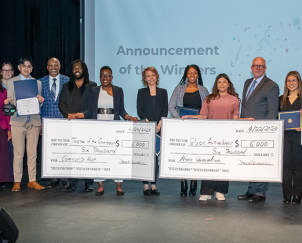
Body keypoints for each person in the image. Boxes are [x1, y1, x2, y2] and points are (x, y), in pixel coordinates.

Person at [183, 73, 245, 200]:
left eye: (224, 82)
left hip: (227, 136)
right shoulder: (209, 98)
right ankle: (206, 192)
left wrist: (247, 120)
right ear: (216, 85)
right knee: (209, 163)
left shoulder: (234, 100)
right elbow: (203, 116)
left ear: (228, 84)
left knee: (223, 163)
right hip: (210, 137)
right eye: (219, 82)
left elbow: (235, 120)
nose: (222, 84)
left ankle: (220, 191)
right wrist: (190, 116)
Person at [88, 66, 139, 196]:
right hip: (98, 127)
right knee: (99, 156)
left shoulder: (118, 91)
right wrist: (77, 115)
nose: (105, 78)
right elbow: (89, 111)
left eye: (108, 75)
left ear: (112, 77)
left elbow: (121, 110)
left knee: (116, 155)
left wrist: (129, 117)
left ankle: (118, 185)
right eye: (102, 76)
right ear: (99, 77)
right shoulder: (93, 91)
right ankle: (100, 185)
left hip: (114, 128)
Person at [237, 56, 279, 203]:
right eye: (255, 65)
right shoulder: (248, 82)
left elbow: (273, 110)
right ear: (251, 67)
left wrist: (267, 129)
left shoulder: (272, 85)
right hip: (247, 129)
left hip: (262, 130)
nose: (258, 68)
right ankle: (251, 190)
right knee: (251, 160)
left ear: (265, 68)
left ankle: (260, 192)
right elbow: (246, 106)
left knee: (261, 161)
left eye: (261, 66)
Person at [168, 64, 210, 196]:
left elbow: (207, 109)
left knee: (195, 155)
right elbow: (171, 107)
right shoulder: (179, 88)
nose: (192, 75)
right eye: (189, 73)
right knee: (183, 155)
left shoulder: (204, 90)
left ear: (198, 75)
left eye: (195, 73)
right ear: (186, 75)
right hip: (182, 126)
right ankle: (183, 181)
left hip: (199, 127)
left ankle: (194, 180)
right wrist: (179, 119)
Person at [5, 56, 46, 192]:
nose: (26, 69)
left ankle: (32, 180)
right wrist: (8, 103)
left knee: (32, 153)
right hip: (17, 121)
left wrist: (41, 101)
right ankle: (17, 181)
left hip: (34, 121)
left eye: (29, 66)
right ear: (19, 68)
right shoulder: (12, 82)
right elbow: (10, 104)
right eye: (24, 66)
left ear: (32, 68)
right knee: (18, 153)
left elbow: (38, 103)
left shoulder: (37, 83)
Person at [58, 59, 97, 192]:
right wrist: (70, 116)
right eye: (74, 68)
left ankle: (88, 182)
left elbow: (93, 106)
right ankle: (72, 182)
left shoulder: (92, 86)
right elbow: (61, 103)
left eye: (79, 67)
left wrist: (79, 115)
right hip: (71, 124)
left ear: (84, 69)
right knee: (73, 155)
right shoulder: (66, 86)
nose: (77, 70)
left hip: (87, 124)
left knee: (87, 155)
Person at [280, 71, 302, 204]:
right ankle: (287, 195)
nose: (291, 83)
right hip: (284, 136)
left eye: (294, 80)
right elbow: (277, 118)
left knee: (297, 165)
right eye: (289, 81)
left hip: (300, 136)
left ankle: (297, 195)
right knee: (286, 166)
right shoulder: (280, 99)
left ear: (299, 82)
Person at [39, 57, 70, 188]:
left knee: (64, 149)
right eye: (50, 65)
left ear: (60, 66)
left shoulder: (67, 80)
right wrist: (39, 123)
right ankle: (53, 178)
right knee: (49, 151)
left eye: (56, 65)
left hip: (63, 121)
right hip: (47, 121)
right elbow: (37, 104)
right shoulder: (40, 82)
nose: (53, 67)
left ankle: (65, 178)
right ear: (47, 67)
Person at [136, 66, 168, 196]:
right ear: (145, 78)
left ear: (157, 76)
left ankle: (154, 185)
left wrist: (159, 124)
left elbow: (165, 110)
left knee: (155, 157)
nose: (151, 78)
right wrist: (149, 124)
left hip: (159, 128)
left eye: (153, 75)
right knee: (146, 157)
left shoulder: (163, 92)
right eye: (148, 76)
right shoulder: (141, 92)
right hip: (146, 127)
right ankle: (145, 185)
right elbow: (139, 111)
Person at [1, 62, 15, 180]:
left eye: (9, 70)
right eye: (4, 70)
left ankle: (11, 178)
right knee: (1, 152)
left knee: (12, 152)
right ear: (1, 72)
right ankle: (2, 178)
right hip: (0, 123)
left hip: (15, 122)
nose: (7, 73)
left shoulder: (17, 84)